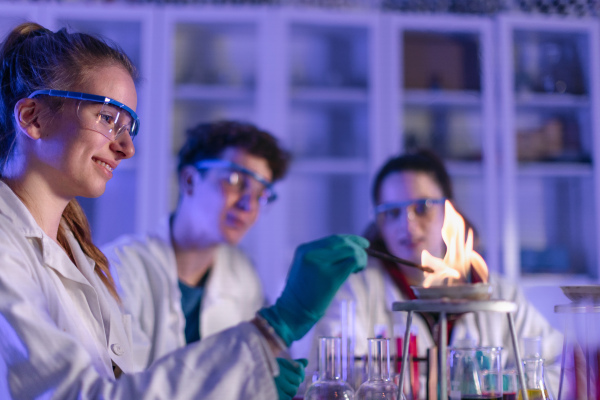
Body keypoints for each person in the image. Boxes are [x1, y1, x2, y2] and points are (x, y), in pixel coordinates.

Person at [0, 22, 368, 399]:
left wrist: (246, 382)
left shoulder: (81, 259)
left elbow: (131, 385)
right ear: (32, 116)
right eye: (108, 118)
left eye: (129, 126)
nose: (126, 147)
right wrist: (274, 328)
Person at [294, 149, 563, 397]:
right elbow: (323, 381)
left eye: (422, 207)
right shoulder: (354, 292)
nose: (407, 226)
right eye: (392, 212)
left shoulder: (503, 295)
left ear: (450, 211)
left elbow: (552, 369)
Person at [102, 120, 291, 369]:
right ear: (190, 180)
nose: (249, 205)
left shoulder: (244, 275)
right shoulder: (118, 268)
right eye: (235, 181)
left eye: (261, 195)